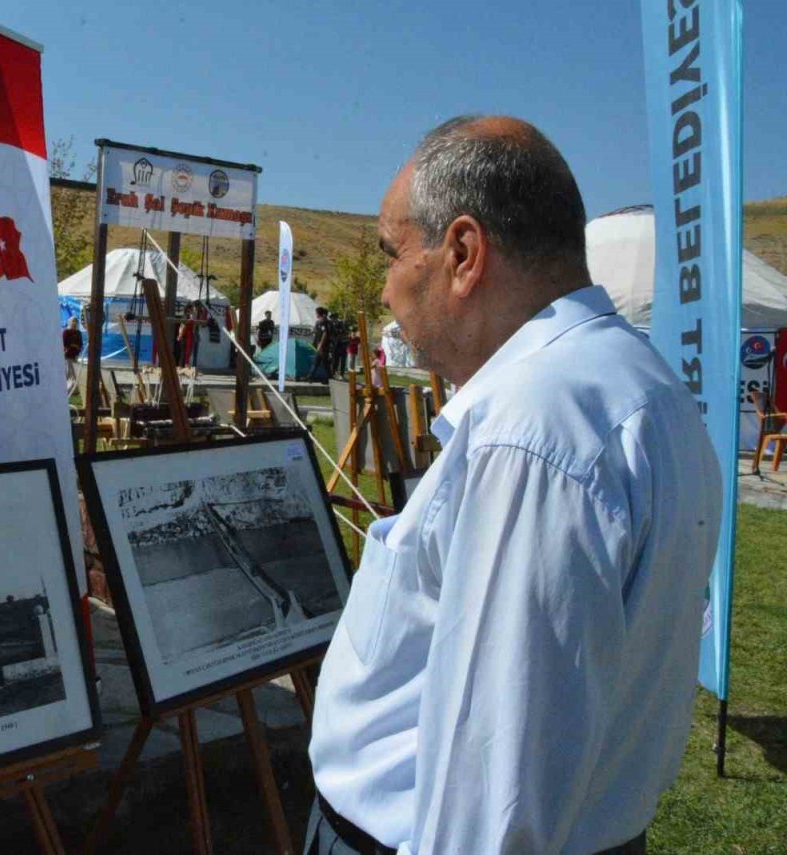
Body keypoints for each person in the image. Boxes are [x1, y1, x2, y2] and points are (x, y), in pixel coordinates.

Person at [306, 116, 721, 855]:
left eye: (392, 254)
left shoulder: (532, 430)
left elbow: (491, 795)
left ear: (463, 254)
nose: (387, 288)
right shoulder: (641, 385)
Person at [62, 316, 83, 399]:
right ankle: (68, 390)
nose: (75, 323)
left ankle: (74, 390)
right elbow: (65, 343)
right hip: (68, 355)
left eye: (76, 321)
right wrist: (73, 345)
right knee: (70, 373)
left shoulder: (78, 332)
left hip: (75, 355)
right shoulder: (66, 332)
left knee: (74, 373)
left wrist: (78, 348)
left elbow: (80, 344)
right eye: (73, 321)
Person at [310, 306, 332, 381]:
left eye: (316, 313)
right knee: (317, 361)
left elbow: (325, 333)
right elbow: (319, 332)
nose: (315, 314)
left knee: (323, 362)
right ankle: (310, 376)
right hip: (319, 345)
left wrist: (320, 345)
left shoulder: (322, 322)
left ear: (318, 313)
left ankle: (329, 378)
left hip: (323, 346)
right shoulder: (319, 322)